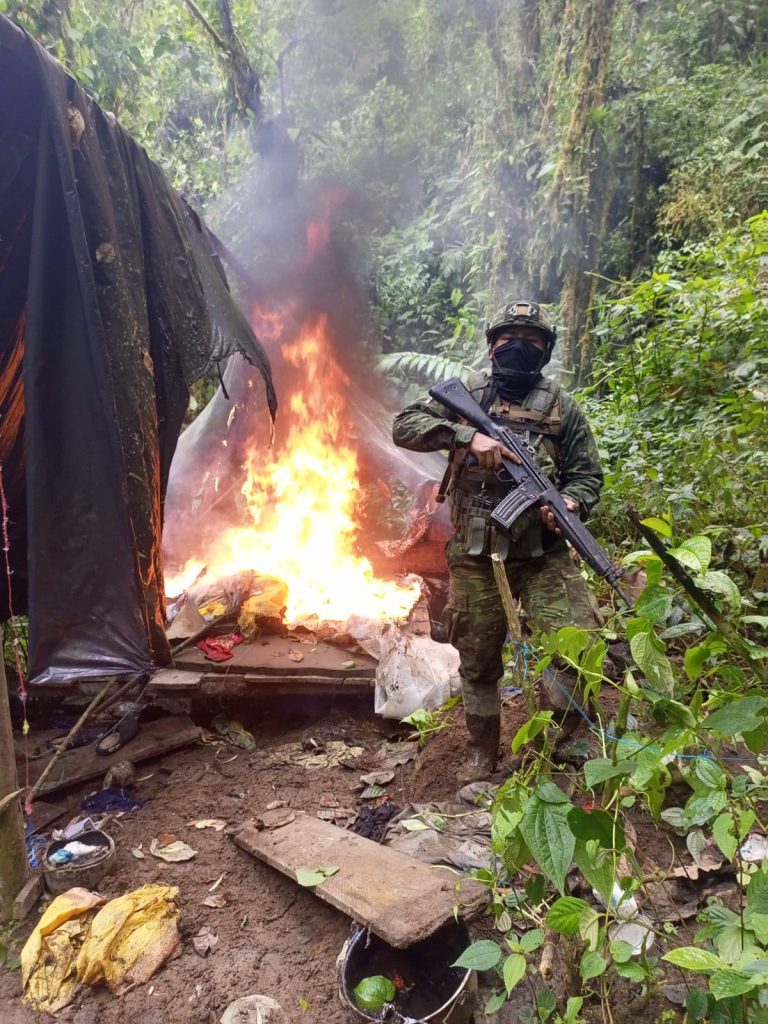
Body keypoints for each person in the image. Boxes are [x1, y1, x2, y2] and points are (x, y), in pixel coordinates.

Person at [392, 300, 604, 783]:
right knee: (477, 659)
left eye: (531, 340)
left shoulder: (562, 407)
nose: (519, 347)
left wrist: (571, 502)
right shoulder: (465, 394)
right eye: (509, 338)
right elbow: (404, 425)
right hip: (476, 556)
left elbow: (587, 476)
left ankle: (559, 747)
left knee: (577, 648)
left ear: (545, 351)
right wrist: (465, 436)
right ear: (492, 347)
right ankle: (481, 751)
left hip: (543, 556)